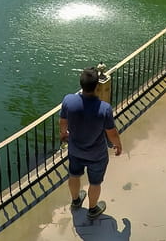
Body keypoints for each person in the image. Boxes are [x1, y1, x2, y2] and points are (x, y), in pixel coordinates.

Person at [59, 67, 122, 219]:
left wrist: (63, 134)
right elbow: (111, 132)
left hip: (75, 150)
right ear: (97, 86)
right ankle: (92, 210)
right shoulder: (104, 109)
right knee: (95, 183)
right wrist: (118, 144)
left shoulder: (68, 100)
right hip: (97, 155)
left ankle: (75, 201)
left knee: (74, 175)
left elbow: (62, 122)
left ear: (81, 84)